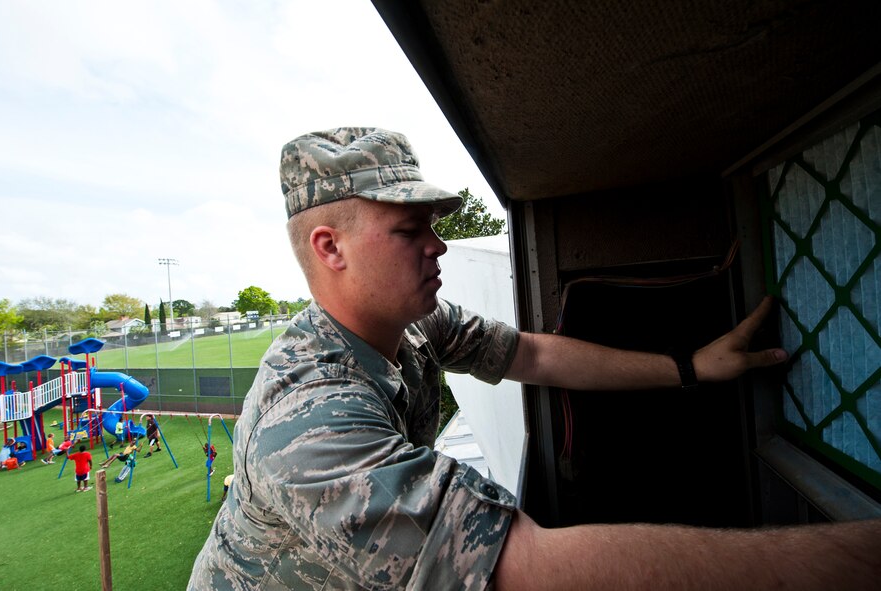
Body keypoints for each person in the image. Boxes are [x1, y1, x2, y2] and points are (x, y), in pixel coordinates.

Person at [188, 128, 881, 590]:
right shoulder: (306, 421)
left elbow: (532, 354)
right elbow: (525, 569)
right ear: (329, 247)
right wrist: (856, 557)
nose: (438, 245)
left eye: (432, 225)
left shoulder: (417, 322)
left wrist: (691, 365)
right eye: (408, 229)